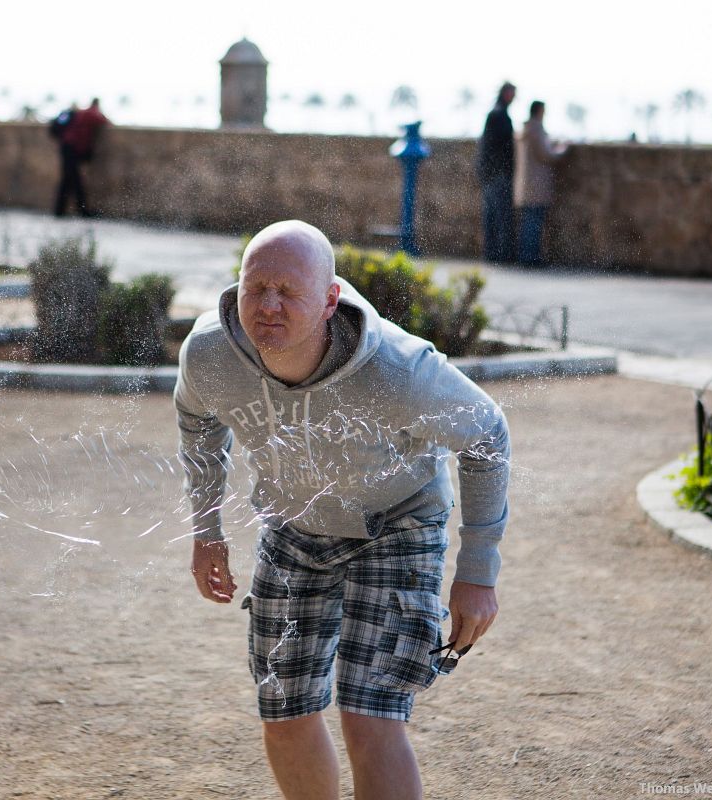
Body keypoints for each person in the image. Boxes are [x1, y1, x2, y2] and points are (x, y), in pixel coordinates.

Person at [174, 220, 510, 800]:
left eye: (288, 291)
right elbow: (196, 422)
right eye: (255, 289)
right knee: (283, 710)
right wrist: (208, 532)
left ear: (330, 300)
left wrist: (477, 571)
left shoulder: (399, 372)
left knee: (371, 713)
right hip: (293, 523)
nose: (268, 306)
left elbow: (487, 435)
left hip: (397, 524)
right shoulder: (210, 354)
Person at [514, 101, 568, 266]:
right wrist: (561, 150)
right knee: (534, 222)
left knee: (529, 221)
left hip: (527, 183)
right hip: (537, 184)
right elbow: (545, 154)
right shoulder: (536, 130)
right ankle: (530, 258)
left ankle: (526, 256)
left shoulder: (525, 130)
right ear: (539, 111)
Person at [476, 82, 517, 263]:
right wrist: (502, 170)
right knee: (499, 216)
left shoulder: (497, 114)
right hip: (496, 174)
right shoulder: (498, 115)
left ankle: (493, 253)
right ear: (506, 93)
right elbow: (497, 147)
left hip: (491, 173)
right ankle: (501, 254)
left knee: (493, 215)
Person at [53, 98, 110, 217]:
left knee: (68, 180)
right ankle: (82, 210)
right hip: (71, 149)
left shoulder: (81, 113)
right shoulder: (90, 112)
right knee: (74, 180)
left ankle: (61, 210)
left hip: (67, 147)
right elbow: (103, 120)